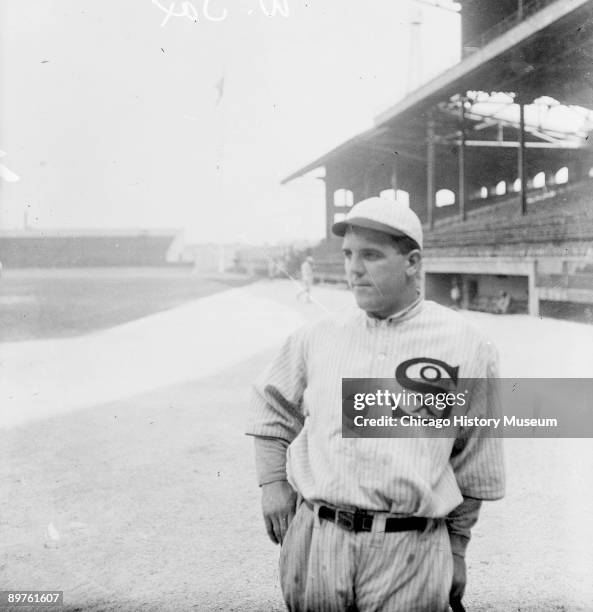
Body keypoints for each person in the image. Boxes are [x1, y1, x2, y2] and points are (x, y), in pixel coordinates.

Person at [247, 196, 505, 612]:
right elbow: (270, 403)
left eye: (370, 255)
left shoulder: (466, 343)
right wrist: (272, 483)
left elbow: (476, 458)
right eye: (348, 254)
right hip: (318, 541)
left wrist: (457, 549)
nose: (353, 267)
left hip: (411, 548)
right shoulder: (318, 336)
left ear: (413, 262)